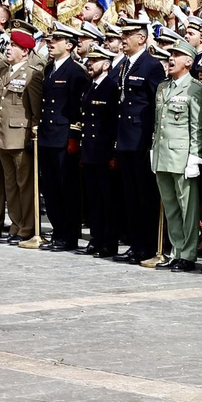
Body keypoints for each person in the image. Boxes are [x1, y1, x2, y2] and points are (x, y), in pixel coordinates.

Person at [113, 17, 165, 264]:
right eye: (122, 34)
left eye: (128, 34)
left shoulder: (151, 65)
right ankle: (135, 243)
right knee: (129, 195)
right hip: (125, 139)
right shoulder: (124, 65)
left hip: (141, 140)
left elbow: (156, 105)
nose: (123, 39)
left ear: (142, 38)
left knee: (145, 196)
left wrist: (153, 141)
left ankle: (147, 245)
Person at [152, 42, 202, 270]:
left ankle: (188, 254)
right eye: (170, 55)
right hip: (163, 155)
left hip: (182, 157)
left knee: (187, 208)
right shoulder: (163, 87)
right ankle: (176, 250)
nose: (171, 59)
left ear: (189, 62)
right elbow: (158, 123)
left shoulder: (194, 89)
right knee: (171, 207)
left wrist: (194, 155)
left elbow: (197, 125)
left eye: (177, 55)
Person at [38, 25, 87, 251]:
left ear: (69, 45)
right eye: (50, 39)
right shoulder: (49, 69)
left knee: (66, 188)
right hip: (48, 135)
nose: (51, 42)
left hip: (64, 136)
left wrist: (74, 137)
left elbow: (78, 108)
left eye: (57, 39)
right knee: (50, 189)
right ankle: (58, 231)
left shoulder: (75, 71)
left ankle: (69, 235)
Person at [0, 27, 43, 244]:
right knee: (10, 184)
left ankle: (27, 226)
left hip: (21, 136)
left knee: (25, 184)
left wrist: (33, 132)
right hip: (4, 135)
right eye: (8, 45)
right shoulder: (5, 72)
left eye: (14, 46)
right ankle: (16, 223)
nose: (8, 48)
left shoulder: (32, 73)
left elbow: (35, 109)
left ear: (25, 51)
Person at [78, 46, 120, 256]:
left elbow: (114, 122)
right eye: (89, 60)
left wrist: (113, 153)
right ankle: (96, 238)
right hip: (89, 150)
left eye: (94, 60)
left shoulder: (112, 87)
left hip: (104, 152)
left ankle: (108, 241)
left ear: (106, 64)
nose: (89, 63)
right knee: (93, 199)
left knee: (107, 200)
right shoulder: (88, 87)